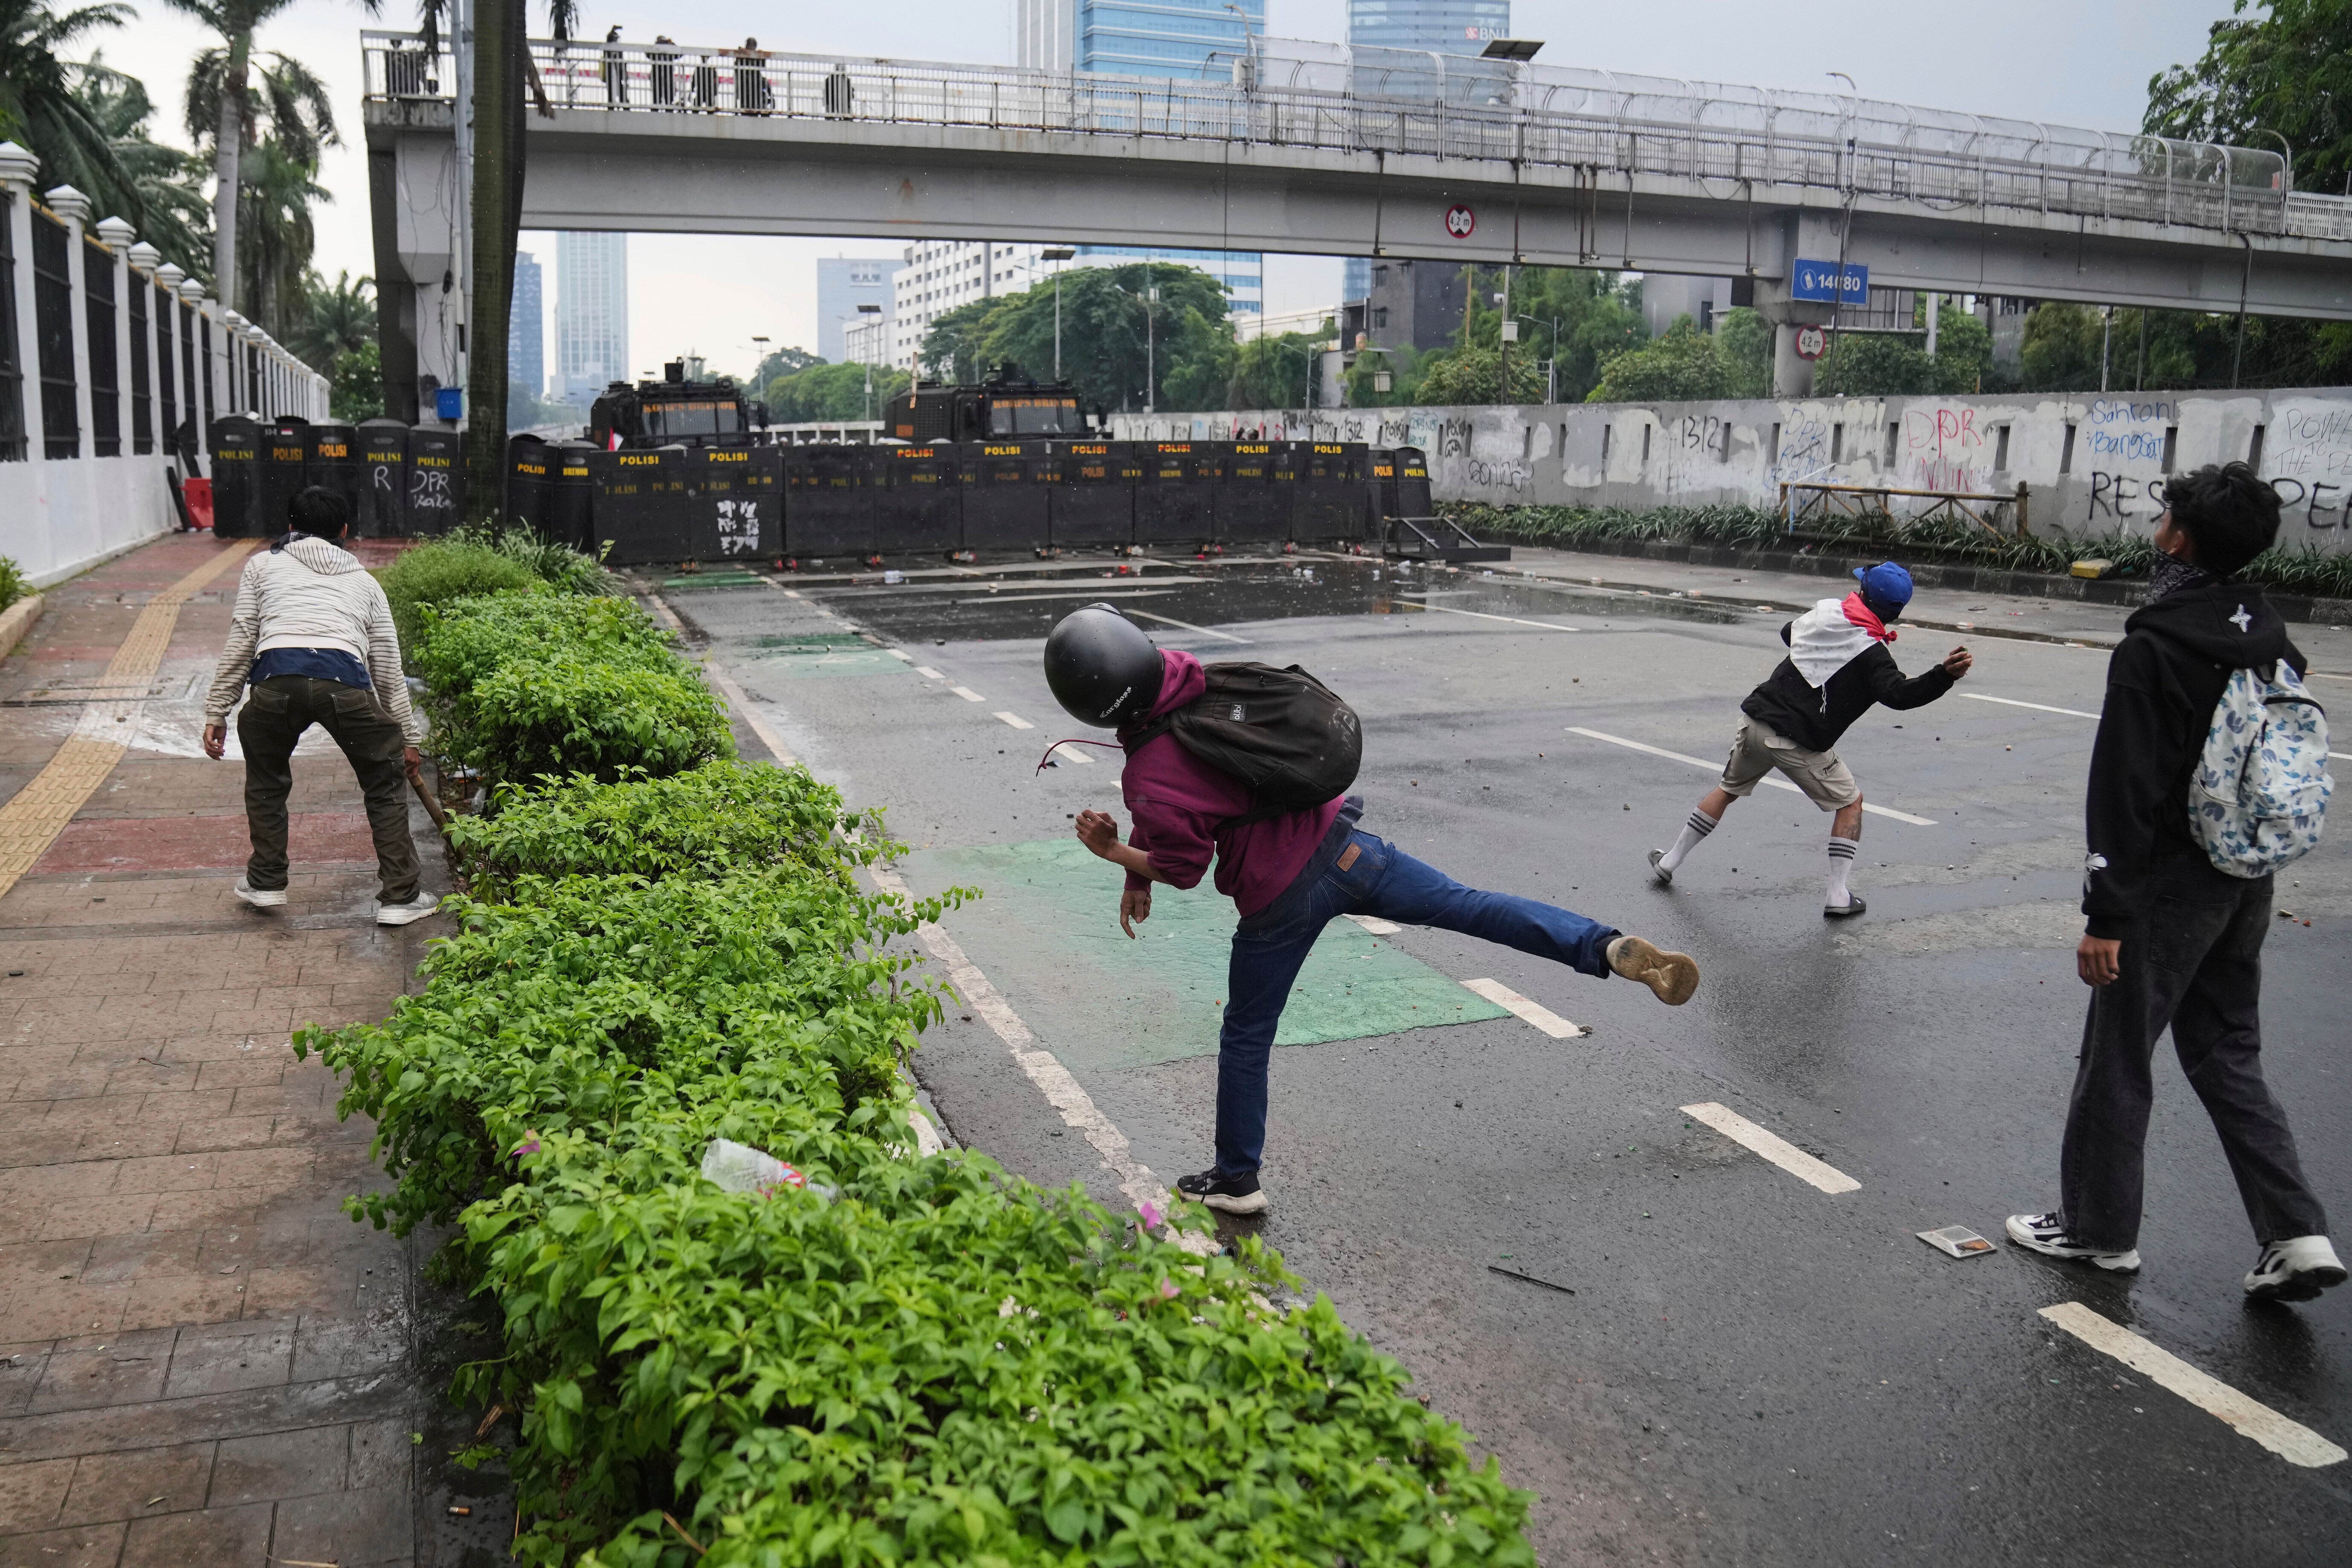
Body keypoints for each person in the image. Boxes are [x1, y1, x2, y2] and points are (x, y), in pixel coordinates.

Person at [1047, 604, 1699, 1216]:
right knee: (1470, 905)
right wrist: (1138, 863)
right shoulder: (1192, 679)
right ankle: (1602, 946)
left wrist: (1112, 854)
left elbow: (1182, 865)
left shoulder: (1149, 770)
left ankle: (1237, 1178)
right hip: (1350, 848)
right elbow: (1183, 791)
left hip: (1281, 900)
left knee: (1247, 1033)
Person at [2007, 464, 2342, 1301]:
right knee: (2228, 1049)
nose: (2156, 525)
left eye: (2165, 515)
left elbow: (2124, 790)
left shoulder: (2155, 647)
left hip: (2164, 885)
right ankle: (2295, 1232)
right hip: (2243, 875)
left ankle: (2096, 1232)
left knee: (2118, 1054)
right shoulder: (2270, 636)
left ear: (2179, 538)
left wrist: (2106, 913)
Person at [1646, 561, 1971, 917]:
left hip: (1756, 721)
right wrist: (1944, 676)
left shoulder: (1830, 613)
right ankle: (1837, 895)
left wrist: (1827, 644)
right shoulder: (1874, 653)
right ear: (1897, 612)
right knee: (1851, 803)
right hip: (1796, 742)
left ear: (1863, 593)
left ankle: (1670, 862)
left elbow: (1790, 633)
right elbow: (1899, 695)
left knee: (1727, 790)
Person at [202, 486, 438, 927]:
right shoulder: (365, 582)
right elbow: (387, 665)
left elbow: (242, 639)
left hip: (276, 682)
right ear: (345, 532)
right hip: (345, 683)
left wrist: (218, 710)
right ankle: (401, 896)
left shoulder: (262, 567)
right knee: (384, 787)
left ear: (291, 527)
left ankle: (267, 881)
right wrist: (407, 738)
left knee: (267, 782)